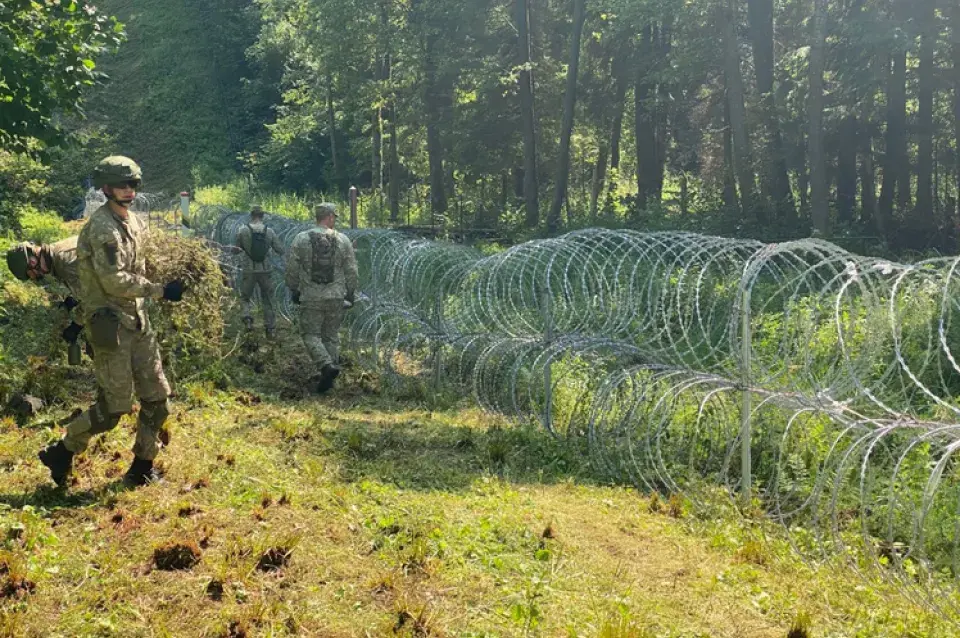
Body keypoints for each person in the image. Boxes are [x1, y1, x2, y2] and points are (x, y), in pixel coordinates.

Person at [38, 155, 186, 488]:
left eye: (133, 184)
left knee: (157, 397)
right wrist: (160, 290)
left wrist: (174, 273)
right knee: (114, 409)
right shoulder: (102, 227)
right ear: (106, 188)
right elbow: (114, 280)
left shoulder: (135, 221)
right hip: (111, 327)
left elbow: (144, 263)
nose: (128, 190)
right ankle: (62, 451)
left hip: (138, 322)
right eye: (121, 185)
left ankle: (142, 467)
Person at [285, 203, 358, 393]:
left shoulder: (301, 239)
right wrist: (351, 292)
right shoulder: (343, 240)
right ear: (330, 217)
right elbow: (351, 270)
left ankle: (326, 366)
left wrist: (294, 289)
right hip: (336, 296)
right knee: (331, 336)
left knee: (310, 335)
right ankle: (330, 379)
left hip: (311, 296)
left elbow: (292, 268)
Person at [6, 237, 86, 355]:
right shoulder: (56, 251)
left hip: (119, 287)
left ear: (32, 262)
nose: (34, 278)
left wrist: (76, 325)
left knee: (102, 335)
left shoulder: (63, 262)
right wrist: (74, 299)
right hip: (116, 279)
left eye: (31, 275)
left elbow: (94, 300)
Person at [233, 204, 284, 338]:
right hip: (266, 270)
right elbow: (280, 249)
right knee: (267, 299)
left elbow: (235, 249)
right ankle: (270, 329)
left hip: (249, 270)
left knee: (245, 297)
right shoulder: (270, 231)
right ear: (262, 216)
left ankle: (248, 319)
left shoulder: (243, 230)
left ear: (251, 215)